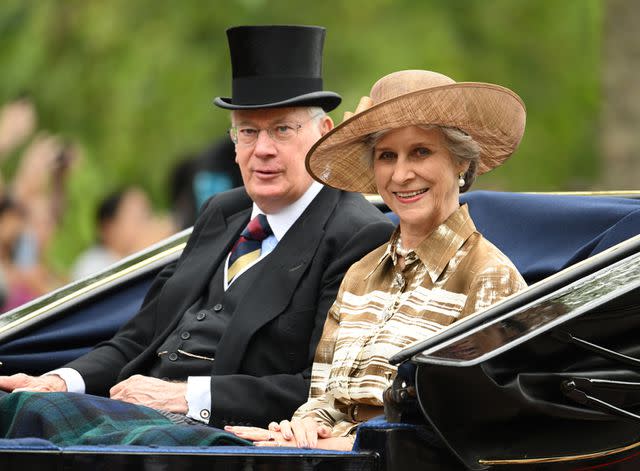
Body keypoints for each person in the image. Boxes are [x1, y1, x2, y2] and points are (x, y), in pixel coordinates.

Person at [0, 25, 393, 432]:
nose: (262, 149)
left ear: (323, 135)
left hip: (223, 438)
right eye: (248, 131)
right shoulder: (222, 212)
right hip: (135, 412)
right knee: (21, 405)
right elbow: (139, 337)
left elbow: (328, 388)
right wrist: (59, 381)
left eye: (282, 129)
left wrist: (187, 396)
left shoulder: (356, 234)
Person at [226, 69, 528, 450]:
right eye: (387, 156)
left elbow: (467, 436)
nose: (401, 174)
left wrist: (331, 446)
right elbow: (320, 402)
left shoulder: (489, 277)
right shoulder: (360, 274)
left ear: (460, 163)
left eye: (421, 151)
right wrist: (299, 430)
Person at [71, 187, 172, 280]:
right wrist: (144, 251)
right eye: (137, 218)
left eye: (148, 216)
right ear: (109, 227)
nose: (146, 225)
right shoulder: (90, 264)